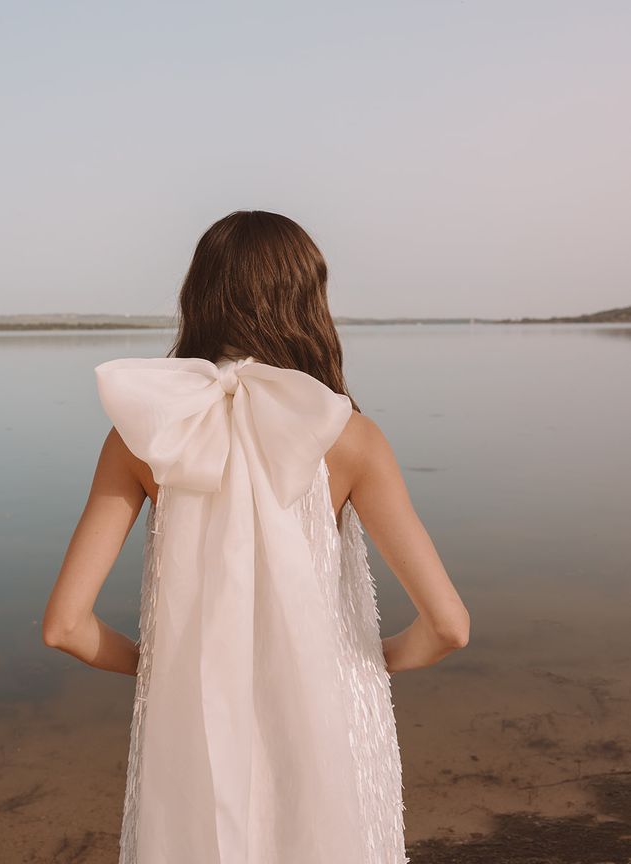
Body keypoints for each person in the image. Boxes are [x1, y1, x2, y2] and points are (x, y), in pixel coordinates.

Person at [42, 209, 470, 864]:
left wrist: (165, 671)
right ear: (309, 303)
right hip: (328, 724)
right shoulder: (349, 437)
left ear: (199, 297)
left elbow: (65, 626)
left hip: (192, 731)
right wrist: (356, 662)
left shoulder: (147, 433)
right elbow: (448, 627)